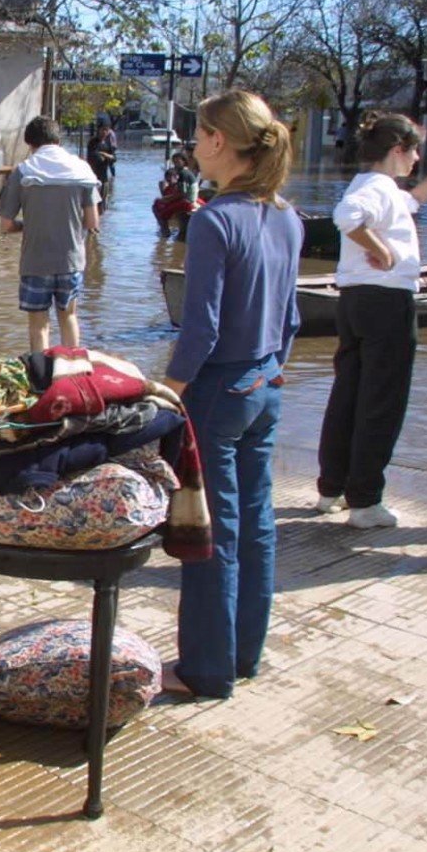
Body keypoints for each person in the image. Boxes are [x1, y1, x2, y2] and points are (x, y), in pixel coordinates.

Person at [158, 90, 301, 700]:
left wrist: (168, 392)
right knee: (256, 521)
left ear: (220, 141)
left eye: (198, 135)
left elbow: (203, 328)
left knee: (211, 529)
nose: (193, 147)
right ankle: (245, 655)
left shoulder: (214, 219)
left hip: (218, 392)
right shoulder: (288, 217)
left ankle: (205, 671)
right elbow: (291, 316)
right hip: (265, 383)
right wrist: (270, 369)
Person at [314, 113, 427, 528]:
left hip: (355, 301)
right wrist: (380, 250)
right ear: (397, 150)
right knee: (382, 402)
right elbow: (346, 218)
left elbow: (416, 199)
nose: (418, 158)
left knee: (349, 393)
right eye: (414, 150)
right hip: (387, 304)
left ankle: (332, 488)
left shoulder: (375, 186)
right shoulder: (377, 189)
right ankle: (364, 501)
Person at [0, 115, 100, 353]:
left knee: (38, 325)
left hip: (35, 262)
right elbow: (92, 221)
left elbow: (6, 225)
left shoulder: (23, 172)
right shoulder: (82, 171)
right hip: (71, 261)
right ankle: (73, 372)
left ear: (31, 144)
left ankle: (40, 375)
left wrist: (27, 225)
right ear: (58, 140)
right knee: (69, 317)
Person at [85, 120, 117, 208]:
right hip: (93, 179)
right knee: (93, 205)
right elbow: (94, 158)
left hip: (105, 179)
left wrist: (105, 155)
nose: (104, 132)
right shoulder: (93, 142)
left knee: (103, 205)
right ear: (98, 130)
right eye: (103, 130)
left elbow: (114, 158)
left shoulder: (108, 143)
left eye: (106, 130)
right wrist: (107, 157)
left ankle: (102, 221)